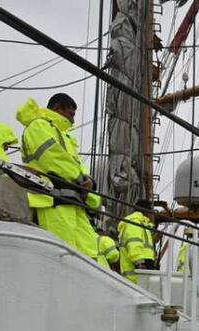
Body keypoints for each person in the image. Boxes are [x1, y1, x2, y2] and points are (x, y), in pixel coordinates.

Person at [16, 94, 101, 261]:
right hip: (54, 201)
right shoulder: (38, 126)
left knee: (92, 256)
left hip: (75, 202)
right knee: (63, 256)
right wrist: (81, 180)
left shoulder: (66, 137)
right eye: (71, 114)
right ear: (57, 108)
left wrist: (90, 184)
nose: (73, 121)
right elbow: (53, 158)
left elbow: (76, 166)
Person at [118, 202, 156, 283]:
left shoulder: (141, 224)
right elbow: (133, 243)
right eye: (152, 212)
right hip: (137, 274)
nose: (153, 215)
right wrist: (139, 263)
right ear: (146, 211)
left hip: (140, 272)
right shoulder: (135, 222)